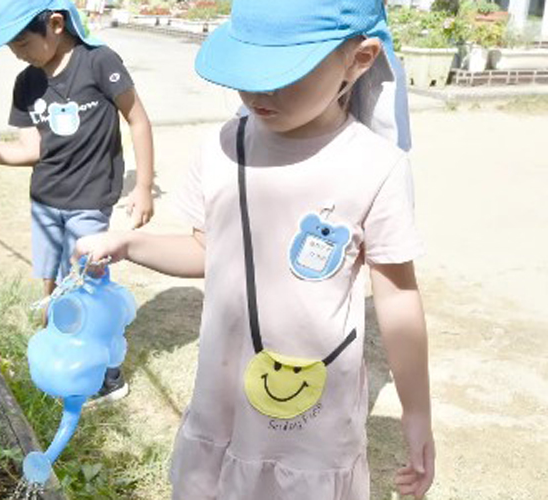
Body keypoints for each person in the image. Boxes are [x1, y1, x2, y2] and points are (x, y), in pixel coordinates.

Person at [74, 0, 435, 498]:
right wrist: (129, 243)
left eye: (285, 72)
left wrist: (417, 412)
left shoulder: (377, 168)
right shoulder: (223, 147)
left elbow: (396, 297)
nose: (260, 91)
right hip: (221, 406)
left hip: (313, 425)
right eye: (249, 69)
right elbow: (208, 251)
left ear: (360, 59)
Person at [0, 0, 156, 404]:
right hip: (46, 200)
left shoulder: (99, 62)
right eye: (11, 46)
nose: (17, 53)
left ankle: (106, 377)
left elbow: (138, 119)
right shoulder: (27, 83)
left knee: (87, 285)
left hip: (90, 200)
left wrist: (144, 186)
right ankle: (61, 351)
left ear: (56, 24)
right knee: (51, 280)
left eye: (23, 43)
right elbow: (31, 151)